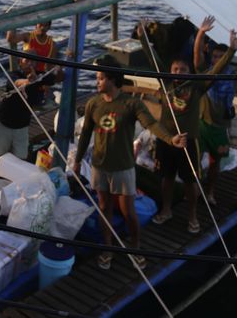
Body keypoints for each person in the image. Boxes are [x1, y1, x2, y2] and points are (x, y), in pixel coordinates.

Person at [73, 57, 186, 270]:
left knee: (128, 212)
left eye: (101, 78)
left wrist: (171, 139)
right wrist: (78, 161)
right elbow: (86, 134)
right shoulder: (93, 104)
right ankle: (107, 248)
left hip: (123, 168)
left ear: (112, 79)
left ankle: (135, 247)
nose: (97, 82)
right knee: (104, 207)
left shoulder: (131, 103)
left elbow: (151, 124)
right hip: (100, 167)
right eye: (97, 78)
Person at [140, 18, 237, 234]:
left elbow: (214, 71)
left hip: (189, 142)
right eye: (174, 69)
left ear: (188, 71)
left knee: (190, 182)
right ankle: (166, 210)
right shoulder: (166, 84)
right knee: (165, 178)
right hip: (166, 140)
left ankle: (192, 216)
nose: (177, 72)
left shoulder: (197, 86)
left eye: (182, 69)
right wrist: (143, 35)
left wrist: (231, 50)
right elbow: (152, 58)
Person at [193, 16, 237, 206]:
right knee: (195, 162)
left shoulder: (233, 77)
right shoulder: (206, 73)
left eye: (221, 56)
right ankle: (193, 192)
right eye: (215, 56)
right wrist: (201, 33)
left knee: (214, 163)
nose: (216, 59)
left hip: (220, 127)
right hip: (203, 124)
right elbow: (197, 56)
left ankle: (209, 192)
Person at [0, 57, 57, 163]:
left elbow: (52, 79)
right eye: (26, 61)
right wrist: (28, 81)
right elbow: (16, 82)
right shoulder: (14, 74)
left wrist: (57, 68)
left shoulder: (39, 77)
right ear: (20, 63)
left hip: (22, 125)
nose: (30, 63)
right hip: (4, 123)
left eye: (33, 61)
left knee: (21, 158)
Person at [6, 21, 61, 104]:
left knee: (36, 101)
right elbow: (11, 39)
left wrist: (46, 86)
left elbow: (50, 66)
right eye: (41, 25)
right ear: (36, 25)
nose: (43, 28)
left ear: (49, 27)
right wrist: (11, 21)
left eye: (46, 25)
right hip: (26, 72)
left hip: (40, 76)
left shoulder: (52, 44)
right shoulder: (28, 36)